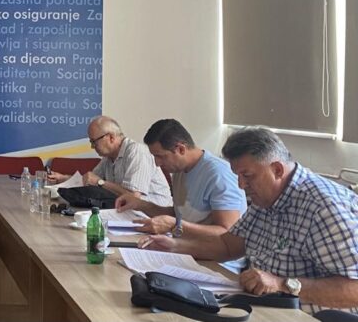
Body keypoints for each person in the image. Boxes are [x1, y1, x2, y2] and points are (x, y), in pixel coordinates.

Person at [140, 127, 358, 314]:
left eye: (247, 176)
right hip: (267, 308)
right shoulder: (266, 199)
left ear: (277, 170)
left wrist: (282, 284)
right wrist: (175, 246)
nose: (241, 185)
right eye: (238, 176)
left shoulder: (324, 207)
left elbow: (354, 290)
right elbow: (228, 246)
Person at [115, 118, 246, 238]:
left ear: (181, 149)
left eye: (160, 156)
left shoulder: (218, 174)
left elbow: (227, 232)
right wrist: (140, 204)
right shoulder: (179, 170)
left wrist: (175, 226)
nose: (157, 163)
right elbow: (179, 215)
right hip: (184, 246)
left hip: (212, 255)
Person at [48, 115, 172, 206]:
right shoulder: (108, 157)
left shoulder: (136, 152)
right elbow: (89, 181)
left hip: (155, 216)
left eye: (94, 141)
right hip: (127, 211)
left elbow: (133, 197)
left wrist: (100, 182)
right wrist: (63, 178)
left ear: (111, 137)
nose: (92, 147)